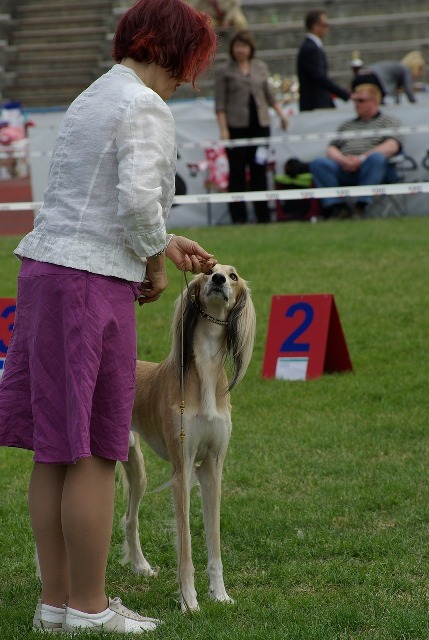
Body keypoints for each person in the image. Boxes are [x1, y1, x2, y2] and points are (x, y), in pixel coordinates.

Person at [0, 0, 217, 634]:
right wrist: (155, 262)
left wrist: (161, 242)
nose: (186, 82)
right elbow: (135, 204)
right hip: (91, 287)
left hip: (44, 275)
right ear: (169, 52)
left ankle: (55, 603)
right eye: (187, 66)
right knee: (96, 449)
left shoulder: (92, 95)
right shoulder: (146, 105)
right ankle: (90, 607)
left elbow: (101, 202)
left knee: (53, 450)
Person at [214, 30, 288, 223]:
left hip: (260, 125)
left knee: (259, 170)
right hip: (236, 126)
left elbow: (269, 95)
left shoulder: (260, 67)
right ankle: (239, 218)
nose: (241, 50)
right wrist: (224, 129)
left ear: (251, 48)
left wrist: (281, 114)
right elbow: (220, 104)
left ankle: (263, 215)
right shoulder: (224, 70)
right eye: (238, 46)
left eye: (245, 46)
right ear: (232, 48)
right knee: (237, 172)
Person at [309, 81, 402, 219]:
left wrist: (361, 158)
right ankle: (338, 207)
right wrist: (343, 160)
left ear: (375, 101)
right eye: (355, 101)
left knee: (377, 158)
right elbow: (332, 148)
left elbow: (392, 146)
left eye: (361, 100)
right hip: (345, 168)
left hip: (373, 169)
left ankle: (361, 206)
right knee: (318, 163)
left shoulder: (388, 122)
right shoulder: (347, 125)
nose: (357, 104)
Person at [297, 9, 350, 112]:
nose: (327, 28)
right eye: (325, 25)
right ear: (315, 26)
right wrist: (344, 94)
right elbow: (319, 77)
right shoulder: (311, 48)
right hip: (316, 104)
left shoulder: (312, 46)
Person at [183, 0, 248, 30]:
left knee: (240, 22)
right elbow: (192, 6)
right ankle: (211, 46)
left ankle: (241, 42)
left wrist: (227, 19)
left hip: (230, 13)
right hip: (213, 16)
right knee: (206, 24)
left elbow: (235, 5)